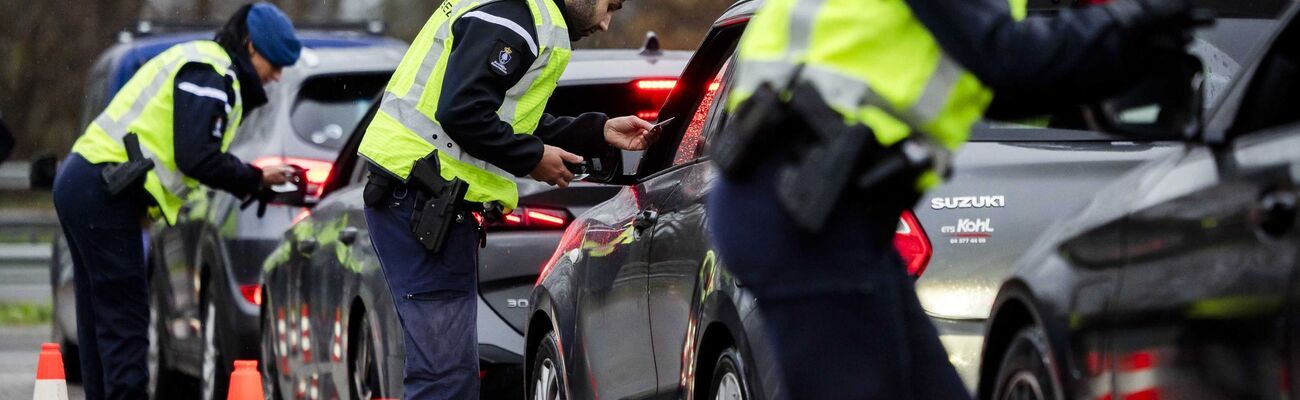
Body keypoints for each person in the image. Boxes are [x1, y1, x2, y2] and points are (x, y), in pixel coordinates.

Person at [707, 0, 1198, 398]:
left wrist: (1123, 53)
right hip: (804, 210)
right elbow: (1006, 59)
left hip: (821, 209)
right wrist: (1133, 19)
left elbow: (1001, 86)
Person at [356, 0, 655, 397]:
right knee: (444, 378)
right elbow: (462, 112)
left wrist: (596, 131)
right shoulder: (514, 15)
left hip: (425, 201)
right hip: (423, 201)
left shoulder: (517, 12)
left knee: (447, 374)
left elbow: (509, 121)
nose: (605, 23)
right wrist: (531, 159)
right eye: (609, 5)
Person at [51, 3, 300, 398]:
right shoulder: (211, 71)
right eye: (274, 63)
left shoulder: (205, 64)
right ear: (250, 46)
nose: (276, 75)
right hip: (103, 189)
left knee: (102, 325)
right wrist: (253, 178)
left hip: (93, 185)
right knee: (125, 325)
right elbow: (196, 155)